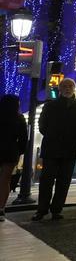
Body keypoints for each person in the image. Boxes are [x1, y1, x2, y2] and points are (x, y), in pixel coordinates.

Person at [32, 79, 76, 221]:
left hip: (70, 148)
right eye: (64, 86)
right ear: (60, 88)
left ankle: (56, 210)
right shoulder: (50, 105)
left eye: (70, 86)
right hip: (51, 148)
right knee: (46, 181)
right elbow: (42, 124)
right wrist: (51, 134)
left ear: (74, 88)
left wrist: (74, 135)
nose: (67, 88)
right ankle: (42, 210)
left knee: (64, 181)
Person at [0, 94, 27, 222]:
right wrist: (19, 151)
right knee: (5, 180)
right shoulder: (19, 118)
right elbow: (23, 139)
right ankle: (1, 209)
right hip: (10, 151)